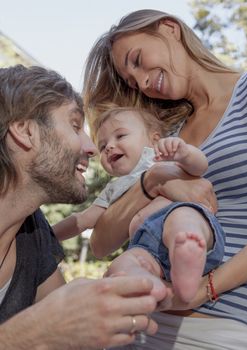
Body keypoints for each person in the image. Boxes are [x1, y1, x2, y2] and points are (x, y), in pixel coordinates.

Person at [82, 8, 247, 349]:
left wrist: (205, 289)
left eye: (138, 59)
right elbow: (100, 243)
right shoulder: (162, 140)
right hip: (142, 323)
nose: (143, 82)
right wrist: (153, 181)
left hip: (224, 327)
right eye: (133, 82)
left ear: (170, 28)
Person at [0, 64, 160, 350]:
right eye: (75, 125)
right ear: (25, 132)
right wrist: (33, 332)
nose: (92, 147)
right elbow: (48, 325)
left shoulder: (33, 232)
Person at [54, 106, 225, 303]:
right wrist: (49, 235)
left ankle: (188, 248)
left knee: (182, 218)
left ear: (154, 140)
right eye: (102, 146)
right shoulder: (112, 189)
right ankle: (155, 283)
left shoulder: (158, 159)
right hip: (149, 250)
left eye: (120, 136)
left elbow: (200, 166)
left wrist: (185, 153)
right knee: (121, 264)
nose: (109, 146)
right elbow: (83, 220)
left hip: (188, 225)